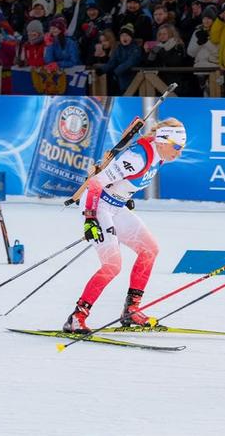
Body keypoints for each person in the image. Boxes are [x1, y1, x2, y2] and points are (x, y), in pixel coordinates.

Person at [64, 119, 187, 333]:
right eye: (176, 147)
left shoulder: (158, 154)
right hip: (97, 205)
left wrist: (125, 194)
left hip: (116, 206)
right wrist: (90, 219)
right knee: (112, 266)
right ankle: (76, 317)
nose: (179, 153)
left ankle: (131, 311)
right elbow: (95, 183)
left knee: (150, 250)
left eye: (181, 148)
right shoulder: (137, 158)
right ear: (163, 140)